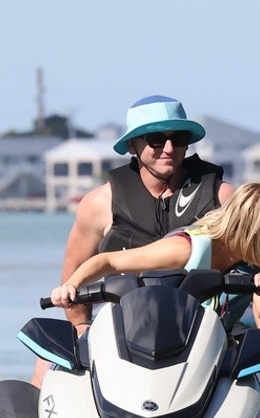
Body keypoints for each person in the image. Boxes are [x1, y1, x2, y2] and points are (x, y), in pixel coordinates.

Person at [31, 94, 234, 387]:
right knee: (44, 364)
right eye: (154, 139)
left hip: (208, 330)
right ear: (132, 146)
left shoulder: (222, 197)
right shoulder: (99, 204)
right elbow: (72, 275)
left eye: (177, 138)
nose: (168, 149)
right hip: (122, 331)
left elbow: (254, 267)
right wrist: (81, 327)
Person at [49, 181, 260, 398]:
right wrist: (71, 285)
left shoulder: (258, 264)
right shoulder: (186, 247)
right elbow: (107, 261)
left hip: (211, 351)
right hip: (155, 347)